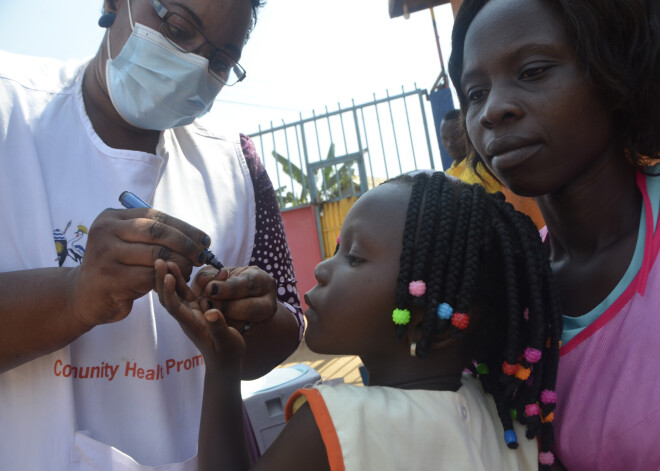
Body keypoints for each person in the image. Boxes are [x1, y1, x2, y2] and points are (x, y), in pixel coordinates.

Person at [0, 0, 304, 469]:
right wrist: (76, 295)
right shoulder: (10, 111)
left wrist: (245, 317)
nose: (193, 67)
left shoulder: (236, 164)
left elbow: (285, 323)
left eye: (220, 61)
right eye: (178, 27)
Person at [156, 171, 564, 471]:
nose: (320, 269)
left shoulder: (335, 423)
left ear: (431, 321)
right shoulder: (509, 418)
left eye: (354, 257)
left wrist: (222, 366)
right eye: (336, 251)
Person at [447, 0, 660, 469]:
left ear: (612, 70)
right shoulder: (502, 297)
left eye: (533, 71)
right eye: (475, 93)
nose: (493, 110)